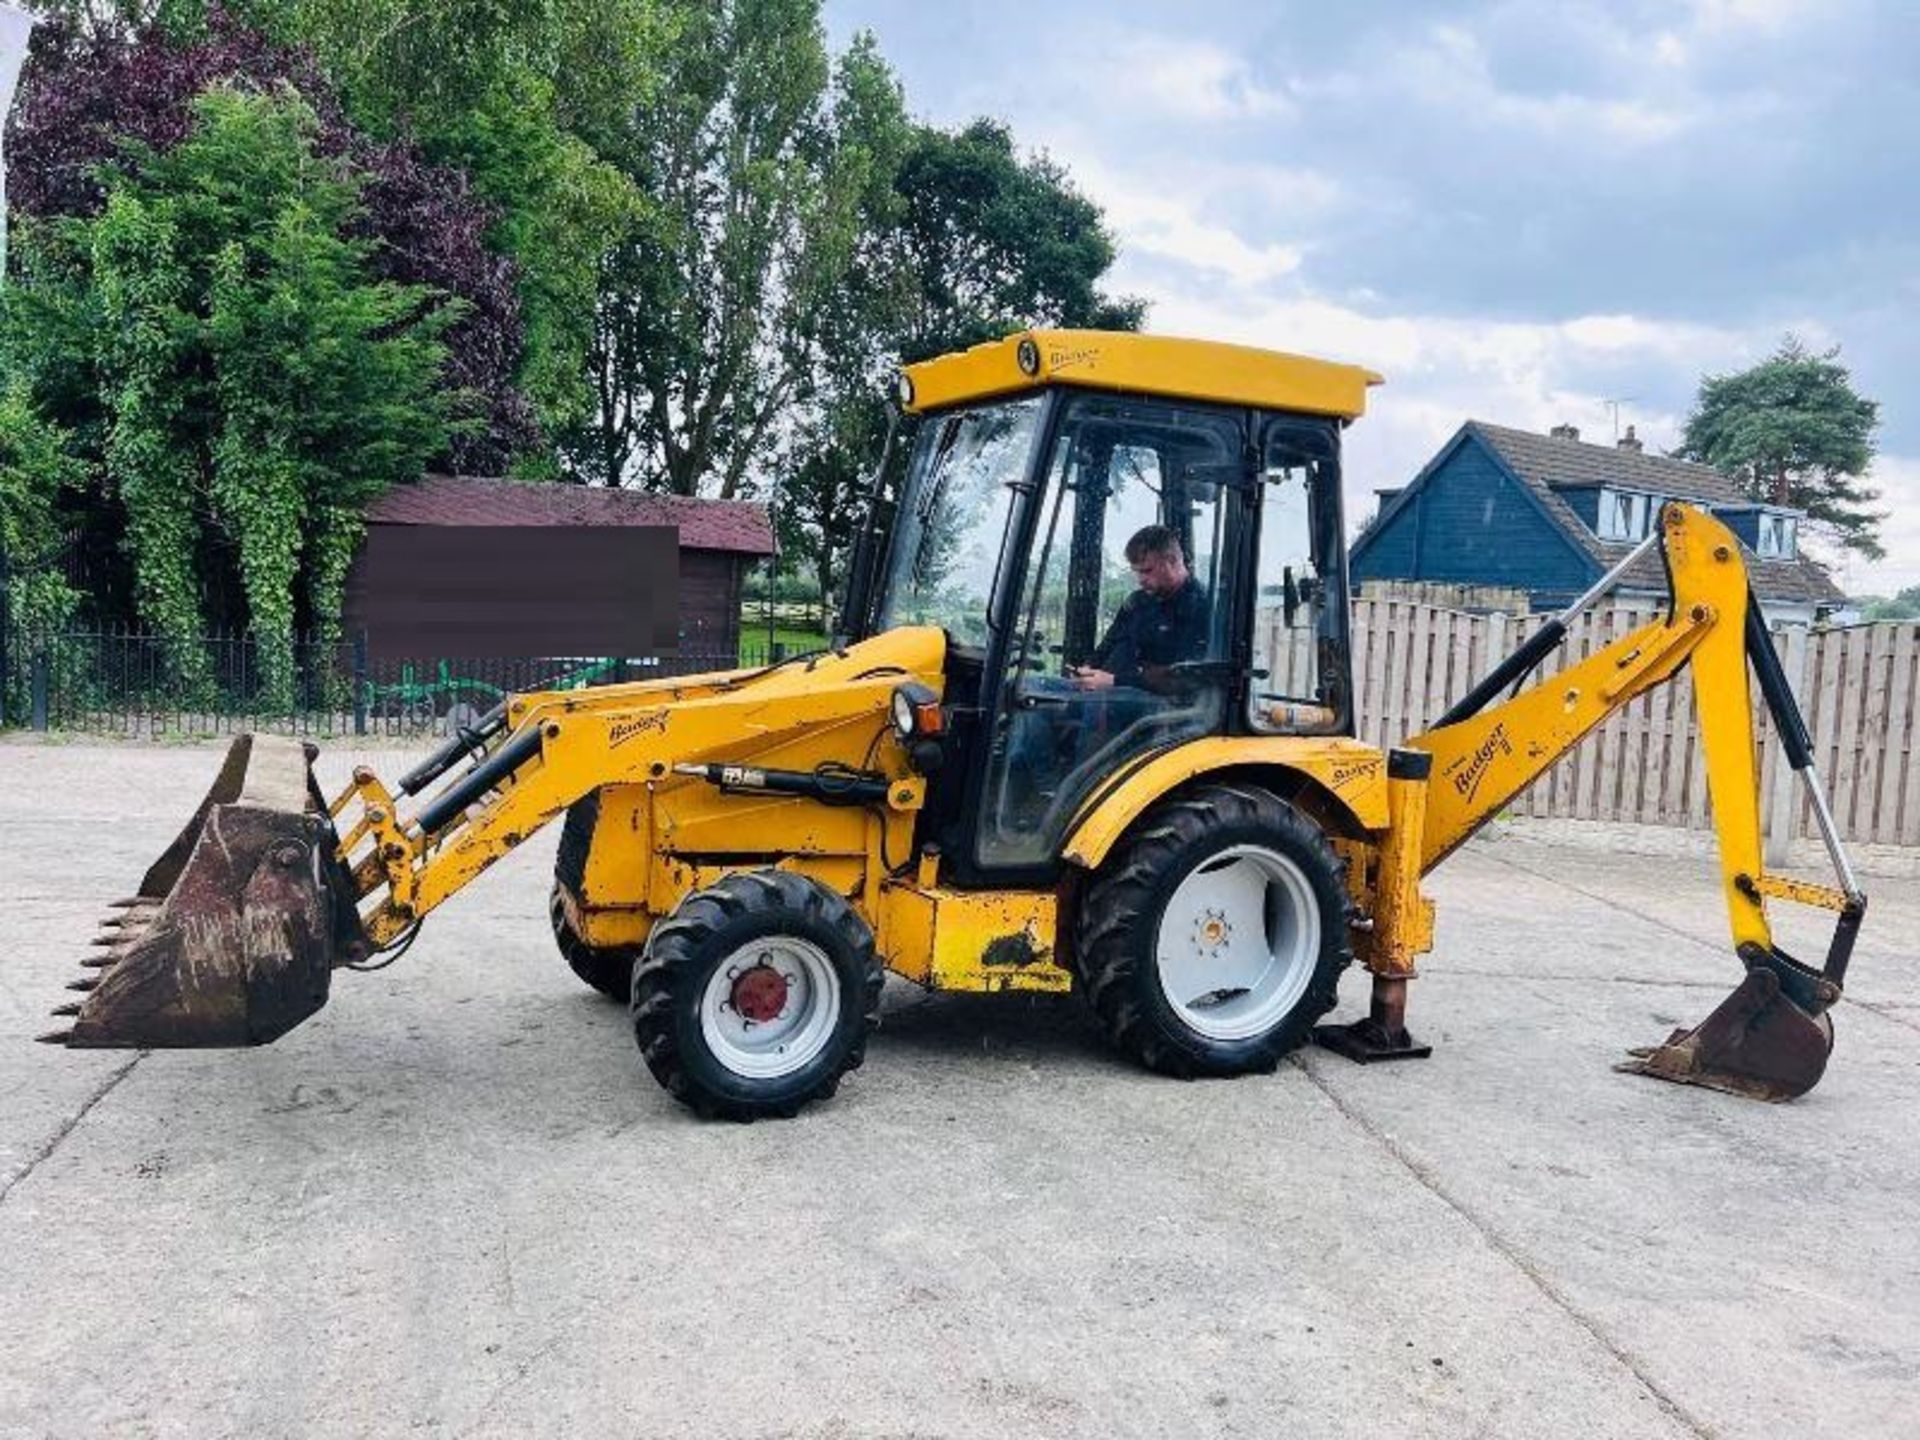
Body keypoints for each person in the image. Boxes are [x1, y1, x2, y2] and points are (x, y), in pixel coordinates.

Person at [1068, 525, 1209, 694]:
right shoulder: (1137, 602)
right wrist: (1087, 669)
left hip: (1152, 706)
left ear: (1172, 561)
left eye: (1147, 571)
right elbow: (1109, 644)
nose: (1141, 580)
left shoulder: (1201, 608)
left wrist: (1114, 681)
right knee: (1037, 689)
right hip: (1109, 694)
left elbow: (1185, 678)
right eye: (1136, 572)